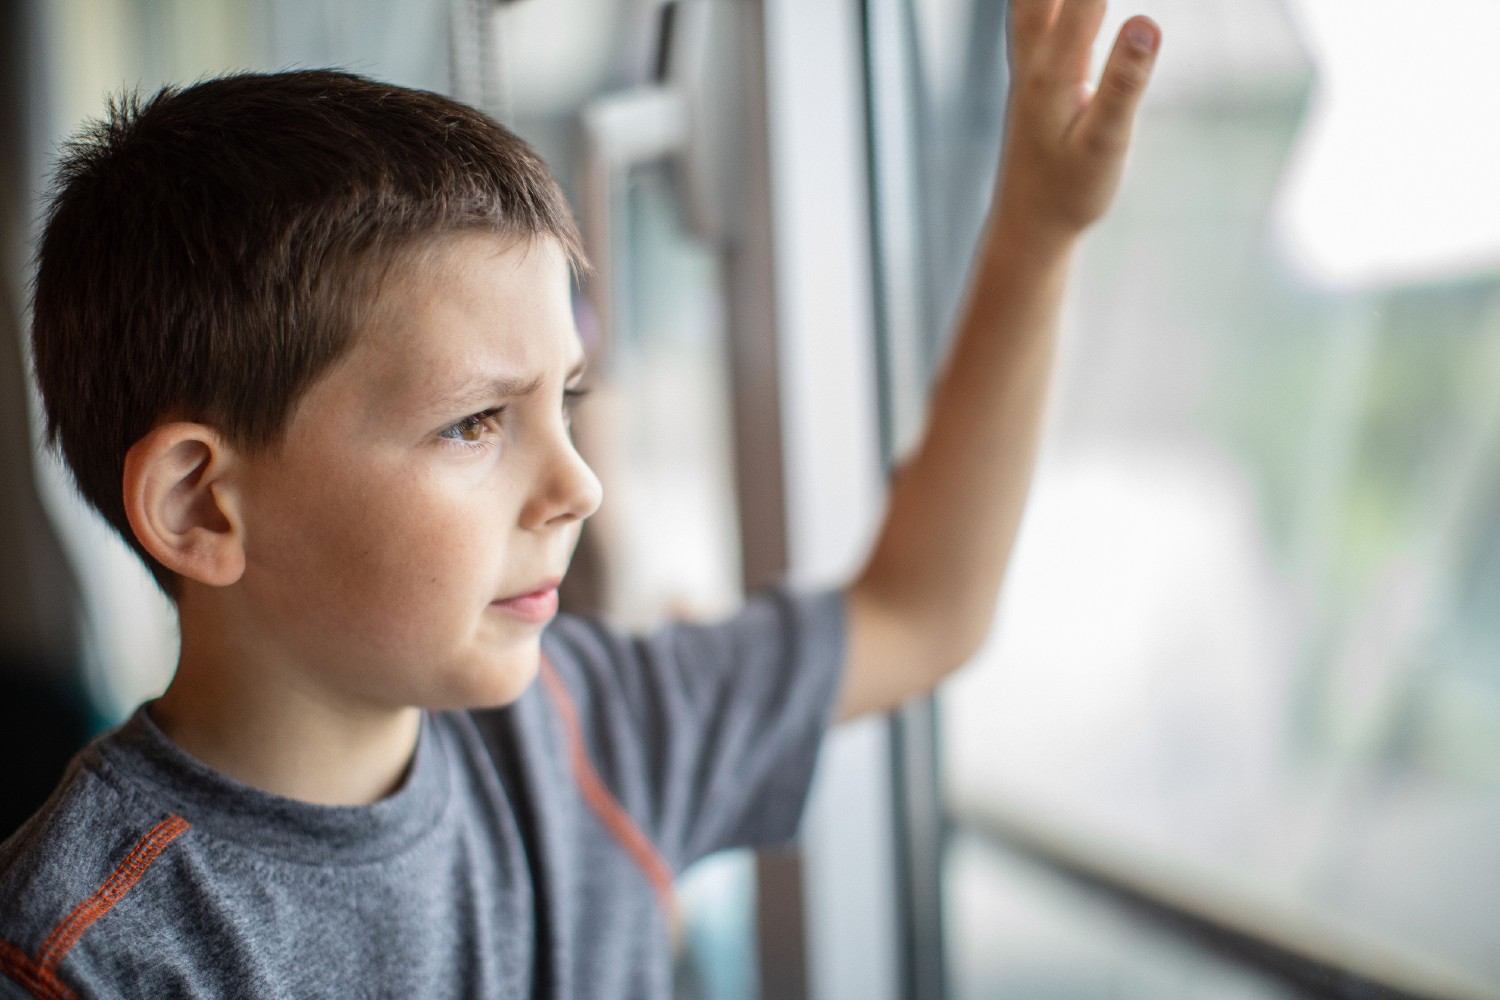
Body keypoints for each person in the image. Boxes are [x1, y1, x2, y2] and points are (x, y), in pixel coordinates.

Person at [0, 1, 1158, 996]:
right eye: (475, 422)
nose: (580, 485)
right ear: (202, 506)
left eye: (569, 397)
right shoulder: (86, 958)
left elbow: (920, 613)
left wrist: (1037, 231)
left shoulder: (584, 728)